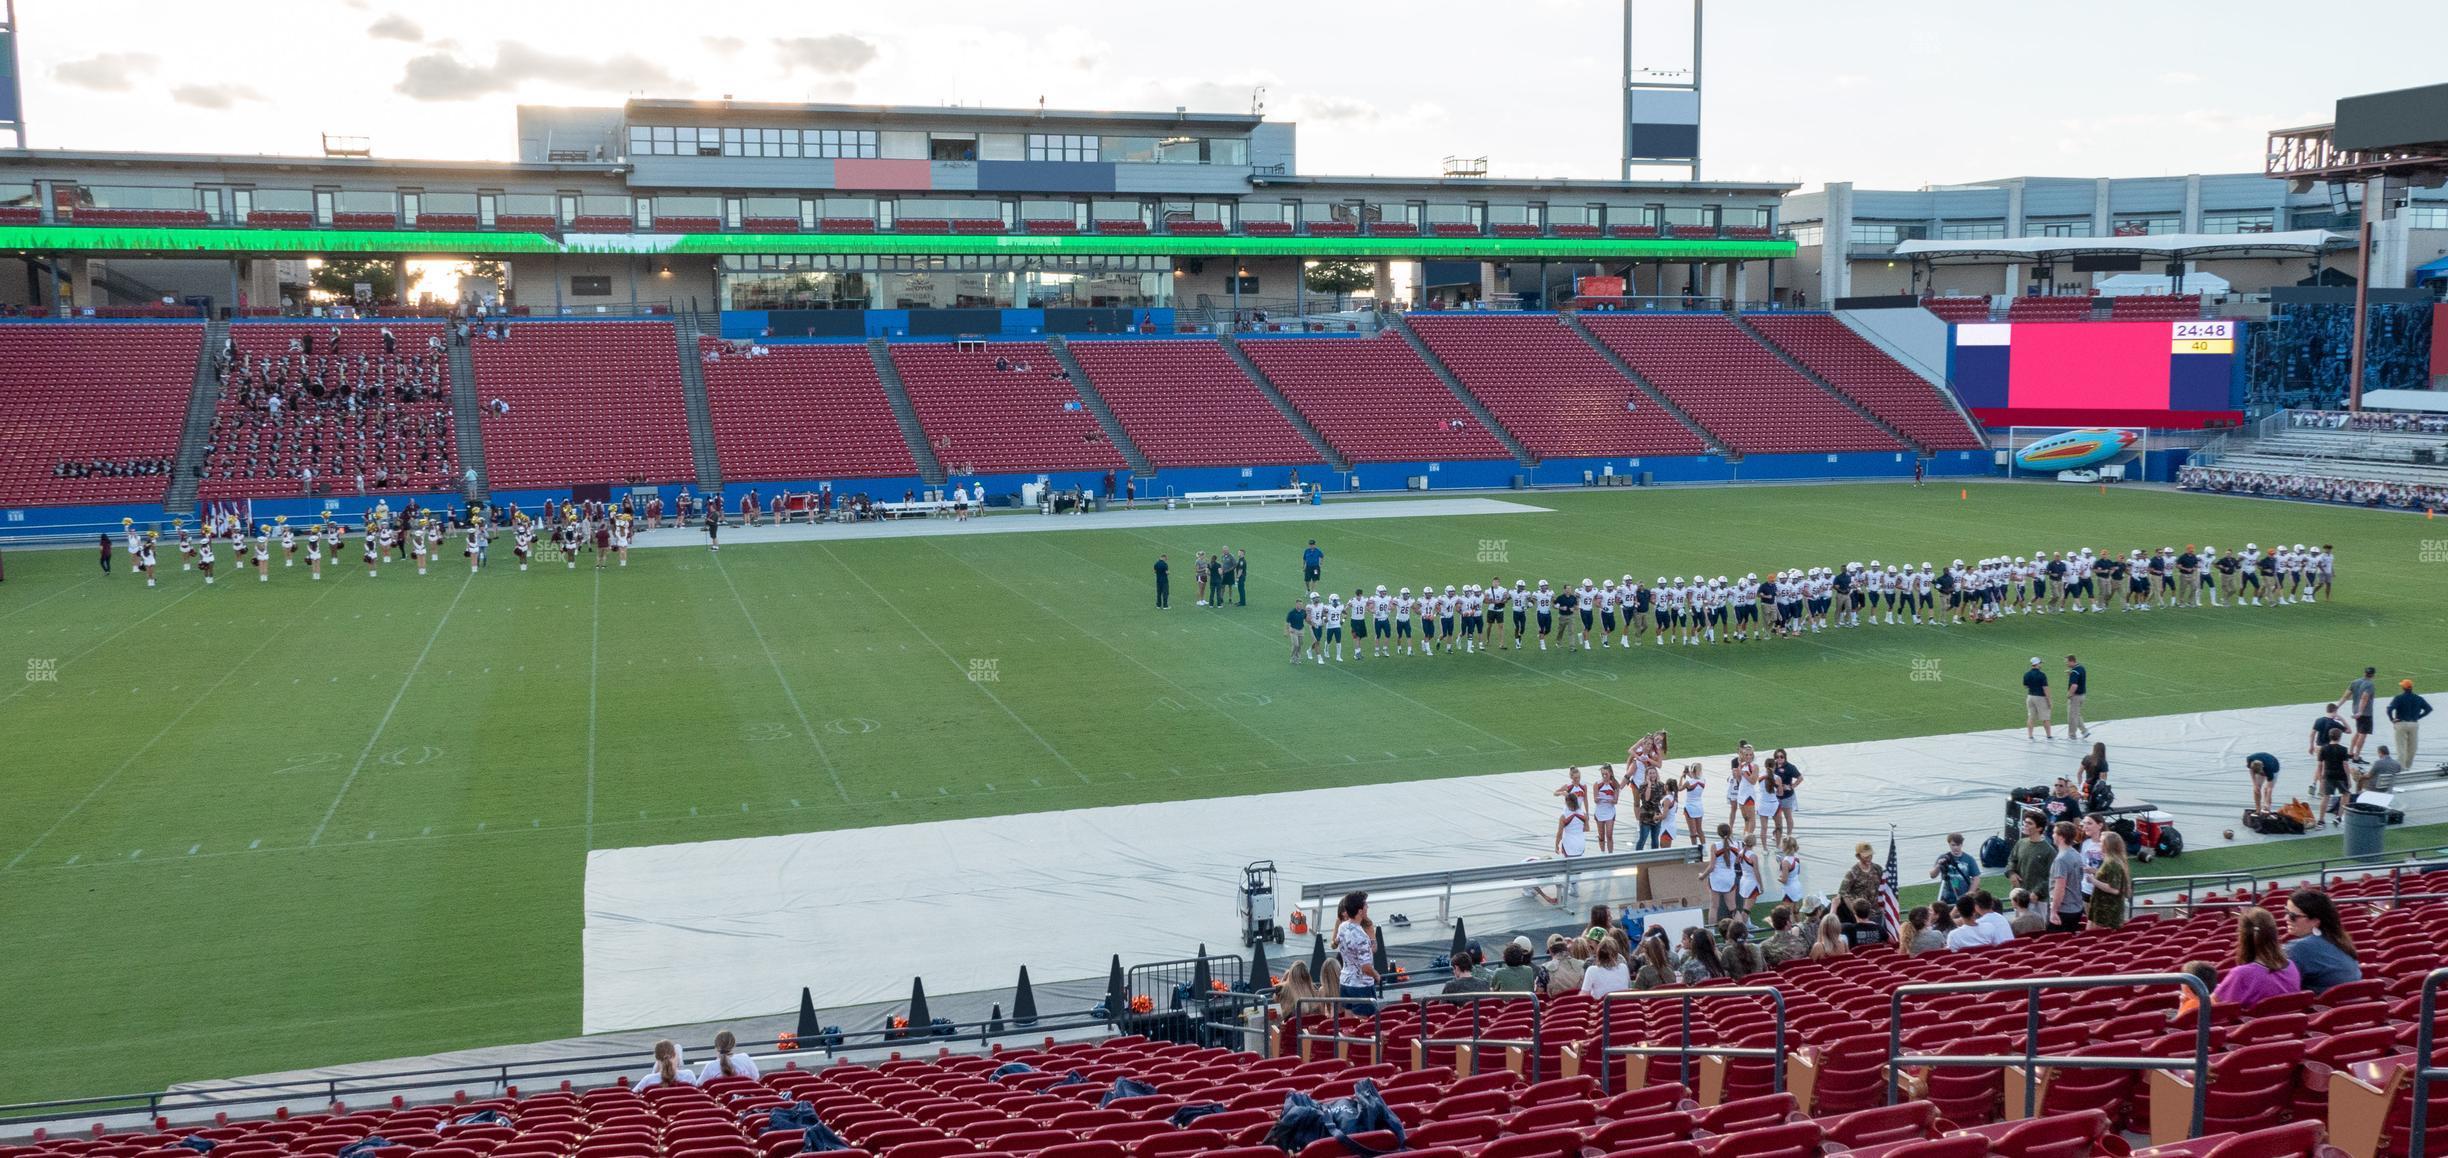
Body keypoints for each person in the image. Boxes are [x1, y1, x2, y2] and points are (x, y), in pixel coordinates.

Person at [2211, 908, 2302, 1010]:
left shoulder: (2241, 974)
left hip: (2252, 1024)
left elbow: (2215, 1005)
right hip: (2288, 1025)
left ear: (2242, 936)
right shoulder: (2291, 966)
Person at [2283, 888, 2362, 994]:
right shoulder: (2339, 940)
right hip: (2348, 1004)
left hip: (2324, 1008)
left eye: (2293, 916)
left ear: (2315, 921)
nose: (2286, 918)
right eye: (2286, 912)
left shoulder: (2298, 948)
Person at [1334, 892, 1380, 1014]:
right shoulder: (1361, 937)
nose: (1367, 907)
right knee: (1365, 1025)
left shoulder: (1342, 926)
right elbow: (1365, 967)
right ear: (1360, 911)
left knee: (1349, 1022)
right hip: (1361, 986)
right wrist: (1376, 975)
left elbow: (1337, 941)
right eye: (1365, 905)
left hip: (1345, 982)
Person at [2048, 820, 2085, 934]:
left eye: (2055, 833)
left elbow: (2060, 888)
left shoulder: (2061, 860)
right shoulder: (2076, 854)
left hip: (2064, 910)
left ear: (2061, 837)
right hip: (2076, 907)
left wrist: (2054, 911)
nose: (2052, 835)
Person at [2088, 831, 2130, 930]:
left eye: (2101, 842)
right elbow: (2108, 877)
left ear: (2108, 845)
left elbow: (2114, 889)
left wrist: (2093, 880)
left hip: (2106, 912)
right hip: (2103, 910)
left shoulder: (2112, 863)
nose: (2099, 844)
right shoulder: (2113, 861)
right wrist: (2095, 871)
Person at [2314, 729, 2355, 827]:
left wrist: (2320, 778)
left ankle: (2321, 819)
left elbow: (2319, 765)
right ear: (2340, 737)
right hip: (2341, 776)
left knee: (2326, 797)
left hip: (2328, 775)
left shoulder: (2323, 749)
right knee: (2345, 795)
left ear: (2329, 736)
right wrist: (2349, 779)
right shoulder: (2343, 749)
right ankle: (2339, 817)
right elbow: (2345, 765)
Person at [1948, 890, 2016, 949]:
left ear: (1976, 906)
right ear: (1992, 903)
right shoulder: (2001, 918)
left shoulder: (1983, 924)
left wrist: (1954, 910)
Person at [2008, 812, 2053, 897]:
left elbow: (2051, 877)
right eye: (2025, 822)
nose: (2025, 825)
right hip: (2018, 894)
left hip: (2037, 899)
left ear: (2039, 828)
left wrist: (2037, 892)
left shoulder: (2049, 850)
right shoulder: (2020, 843)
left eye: (2029, 823)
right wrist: (2011, 873)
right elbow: (2011, 860)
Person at [2388, 680, 2430, 768]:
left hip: (2401, 724)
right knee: (2412, 748)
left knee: (2401, 748)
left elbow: (2389, 709)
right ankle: (2408, 767)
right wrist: (2418, 717)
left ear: (2403, 688)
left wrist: (2392, 719)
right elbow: (2428, 709)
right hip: (2414, 724)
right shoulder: (2418, 698)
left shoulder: (2398, 698)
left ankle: (2402, 768)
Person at [1931, 833, 1980, 907]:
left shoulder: (1969, 859)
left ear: (1961, 844)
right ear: (1949, 844)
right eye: (1953, 845)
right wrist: (1938, 865)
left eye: (1958, 845)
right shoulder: (1943, 857)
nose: (1955, 847)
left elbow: (1976, 878)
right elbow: (1932, 875)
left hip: (1964, 897)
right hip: (1946, 897)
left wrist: (1970, 894)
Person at [2344, 666, 2379, 761]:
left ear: (2364, 673)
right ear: (2373, 675)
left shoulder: (2355, 682)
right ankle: (2356, 756)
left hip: (2355, 710)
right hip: (2365, 713)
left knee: (2358, 732)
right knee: (2363, 735)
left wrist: (2338, 705)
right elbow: (2364, 698)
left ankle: (2350, 752)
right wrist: (2361, 711)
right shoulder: (2370, 685)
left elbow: (2346, 695)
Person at [1838, 841, 1881, 914]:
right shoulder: (1852, 873)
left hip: (1878, 912)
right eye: (1866, 856)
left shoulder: (1878, 869)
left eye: (1870, 855)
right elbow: (1843, 893)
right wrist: (1855, 912)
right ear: (1858, 856)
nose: (1869, 858)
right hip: (1862, 914)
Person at [2023, 657, 2054, 740]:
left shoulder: (2027, 674)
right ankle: (2049, 735)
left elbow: (2026, 686)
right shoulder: (2042, 675)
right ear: (2037, 664)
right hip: (2040, 698)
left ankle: (2030, 735)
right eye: (2040, 663)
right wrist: (2049, 701)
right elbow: (2045, 689)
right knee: (2045, 718)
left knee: (2031, 717)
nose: (2041, 664)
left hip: (2030, 697)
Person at [2246, 751, 2281, 815]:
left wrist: (2267, 802)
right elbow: (2251, 771)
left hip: (2274, 767)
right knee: (2256, 789)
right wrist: (2254, 784)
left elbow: (2269, 789)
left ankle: (2266, 809)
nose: (2262, 775)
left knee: (2266, 790)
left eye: (2262, 773)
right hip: (2259, 766)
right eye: (2260, 774)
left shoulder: (2269, 769)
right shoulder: (2250, 760)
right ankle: (2258, 810)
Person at [2065, 655, 2091, 739]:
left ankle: (2072, 735)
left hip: (2075, 696)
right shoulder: (2081, 668)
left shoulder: (2075, 672)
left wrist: (2069, 694)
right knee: (2076, 714)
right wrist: (2071, 674)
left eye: (2067, 661)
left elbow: (2074, 685)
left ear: (2071, 661)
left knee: (2072, 716)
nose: (2066, 663)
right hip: (2082, 695)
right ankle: (2084, 731)